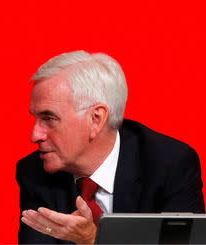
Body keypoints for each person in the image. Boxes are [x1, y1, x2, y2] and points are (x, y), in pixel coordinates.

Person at [16, 51, 204, 244]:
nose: (35, 135)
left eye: (49, 118)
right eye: (35, 118)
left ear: (96, 119)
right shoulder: (34, 172)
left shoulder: (169, 165)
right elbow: (43, 232)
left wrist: (92, 240)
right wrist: (53, 230)